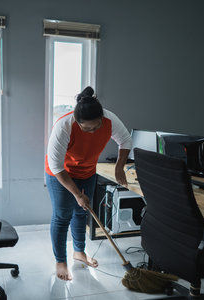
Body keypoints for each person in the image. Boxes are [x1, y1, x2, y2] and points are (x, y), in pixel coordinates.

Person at [45, 86, 132, 280]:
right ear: (77, 121)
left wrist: (119, 167)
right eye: (87, 128)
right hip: (60, 173)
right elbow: (57, 167)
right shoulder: (63, 126)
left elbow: (125, 140)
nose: (92, 132)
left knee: (82, 211)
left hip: (87, 171)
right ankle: (61, 261)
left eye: (96, 126)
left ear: (102, 117)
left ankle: (79, 252)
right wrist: (77, 194)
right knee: (62, 215)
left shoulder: (110, 120)